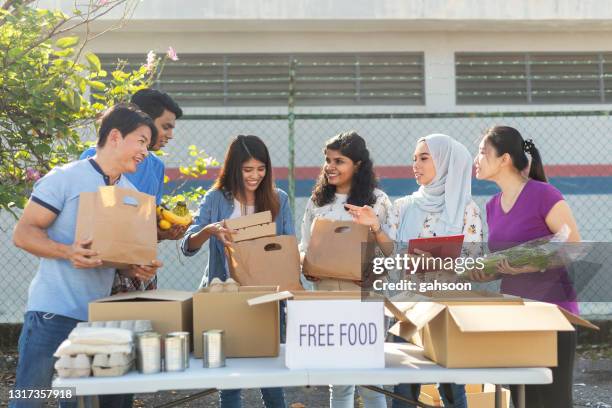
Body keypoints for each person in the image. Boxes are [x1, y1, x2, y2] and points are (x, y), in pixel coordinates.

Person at [10, 104, 163, 408]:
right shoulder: (65, 178)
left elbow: (112, 254)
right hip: (52, 314)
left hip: (97, 323)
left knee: (78, 403)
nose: (146, 151)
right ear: (116, 136)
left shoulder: (130, 192)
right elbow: (23, 234)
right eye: (142, 141)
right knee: (30, 399)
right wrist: (69, 252)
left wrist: (135, 269)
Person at [349, 133, 483, 408]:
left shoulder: (466, 209)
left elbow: (472, 263)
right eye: (414, 159)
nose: (415, 165)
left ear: (445, 162)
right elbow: (390, 255)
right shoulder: (403, 207)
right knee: (404, 391)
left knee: (453, 390)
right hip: (408, 308)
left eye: (424, 158)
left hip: (447, 310)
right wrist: (375, 226)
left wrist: (438, 263)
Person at [469, 126, 580, 408]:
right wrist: (486, 273)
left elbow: (573, 246)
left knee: (553, 401)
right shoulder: (492, 206)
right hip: (516, 315)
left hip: (553, 314)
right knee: (523, 401)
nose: (476, 159)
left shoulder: (544, 194)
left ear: (504, 159)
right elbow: (504, 261)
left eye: (482, 152)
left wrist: (531, 265)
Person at [181, 135, 292, 408]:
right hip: (225, 294)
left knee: (272, 375)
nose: (255, 176)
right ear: (234, 168)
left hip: (266, 296)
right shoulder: (217, 198)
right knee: (228, 378)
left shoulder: (279, 199)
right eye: (247, 169)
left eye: (261, 168)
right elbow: (187, 245)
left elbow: (288, 245)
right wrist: (209, 230)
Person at [299, 131, 391, 408]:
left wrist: (374, 225)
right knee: (339, 384)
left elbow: (391, 252)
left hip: (365, 296)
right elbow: (304, 246)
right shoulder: (318, 202)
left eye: (339, 161)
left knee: (372, 382)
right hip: (327, 296)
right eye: (327, 160)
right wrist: (308, 265)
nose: (330, 166)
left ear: (358, 165)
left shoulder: (377, 201)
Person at [81, 89, 184, 294]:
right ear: (142, 121)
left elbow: (143, 228)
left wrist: (163, 233)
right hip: (98, 273)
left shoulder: (156, 167)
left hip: (140, 271)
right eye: (166, 127)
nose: (170, 135)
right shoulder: (91, 160)